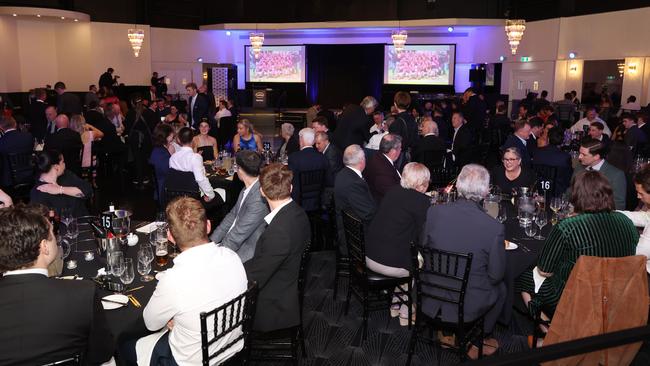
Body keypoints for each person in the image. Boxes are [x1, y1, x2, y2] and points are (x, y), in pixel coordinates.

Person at [132, 197, 247, 365]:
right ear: (208, 226)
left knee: (126, 345)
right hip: (232, 347)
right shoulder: (232, 257)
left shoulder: (174, 279)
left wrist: (175, 320)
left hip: (192, 360)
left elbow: (150, 324)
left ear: (170, 237)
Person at [0, 204, 114, 365]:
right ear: (44, 246)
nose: (56, 239)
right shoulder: (82, 293)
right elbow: (102, 353)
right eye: (53, 234)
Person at [517, 171, 638, 321]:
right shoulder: (626, 222)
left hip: (573, 298)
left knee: (524, 277)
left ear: (577, 195)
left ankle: (548, 334)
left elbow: (545, 270)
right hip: (614, 296)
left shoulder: (568, 226)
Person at [422, 164, 506, 358]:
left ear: (458, 186)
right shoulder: (493, 228)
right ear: (486, 191)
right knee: (501, 288)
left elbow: (424, 249)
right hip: (466, 304)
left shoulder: (434, 212)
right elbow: (495, 275)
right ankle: (480, 339)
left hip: (429, 291)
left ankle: (446, 332)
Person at [244, 163, 310, 332]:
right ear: (291, 187)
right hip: (285, 280)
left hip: (272, 306)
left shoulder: (279, 233)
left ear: (262, 192)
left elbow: (255, 279)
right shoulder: (298, 212)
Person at [365, 163, 431, 325]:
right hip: (389, 264)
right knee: (421, 263)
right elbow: (425, 232)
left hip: (369, 255)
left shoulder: (392, 191)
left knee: (404, 252)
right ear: (422, 185)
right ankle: (405, 313)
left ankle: (396, 304)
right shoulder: (421, 201)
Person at [210, 151, 268, 263]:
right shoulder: (248, 187)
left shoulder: (258, 198)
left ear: (240, 170)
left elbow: (239, 234)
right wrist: (211, 243)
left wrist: (218, 255)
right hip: (234, 242)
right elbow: (231, 216)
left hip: (246, 251)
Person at [334, 145, 376, 253]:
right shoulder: (354, 182)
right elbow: (368, 214)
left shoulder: (342, 174)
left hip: (348, 225)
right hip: (354, 234)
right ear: (362, 161)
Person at [30, 150, 92, 217]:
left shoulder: (66, 175)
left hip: (83, 222)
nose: (64, 165)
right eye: (62, 162)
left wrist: (60, 189)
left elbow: (88, 191)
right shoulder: (38, 192)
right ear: (56, 167)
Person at [573, 138, 627, 209]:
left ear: (596, 157)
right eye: (580, 153)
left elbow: (619, 205)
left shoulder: (616, 175)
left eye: (584, 154)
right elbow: (570, 191)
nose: (579, 157)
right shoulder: (579, 168)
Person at [169, 127, 217, 203]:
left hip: (175, 197)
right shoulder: (196, 157)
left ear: (179, 140)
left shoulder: (173, 157)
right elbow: (200, 179)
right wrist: (211, 195)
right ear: (193, 140)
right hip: (191, 197)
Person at [288, 128, 329, 211]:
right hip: (318, 200)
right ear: (313, 141)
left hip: (299, 201)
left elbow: (291, 180)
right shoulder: (323, 158)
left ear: (301, 140)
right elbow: (327, 180)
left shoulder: (294, 158)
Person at [532, 127, 573, 195]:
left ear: (548, 139)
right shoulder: (565, 156)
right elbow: (568, 178)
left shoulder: (536, 152)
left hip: (539, 188)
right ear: (562, 141)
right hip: (558, 192)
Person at [363, 134, 402, 203]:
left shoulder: (378, 156)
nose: (401, 150)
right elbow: (393, 195)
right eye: (399, 148)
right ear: (393, 151)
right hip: (384, 204)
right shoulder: (383, 172)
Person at [0, 115, 34, 187]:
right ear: (15, 124)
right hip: (30, 174)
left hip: (9, 179)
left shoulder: (1, 142)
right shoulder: (28, 137)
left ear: (1, 127)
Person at [149, 124, 175, 204]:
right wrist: (172, 155)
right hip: (164, 189)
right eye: (171, 135)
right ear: (166, 137)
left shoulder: (158, 149)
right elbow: (169, 172)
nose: (173, 136)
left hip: (161, 186)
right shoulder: (161, 153)